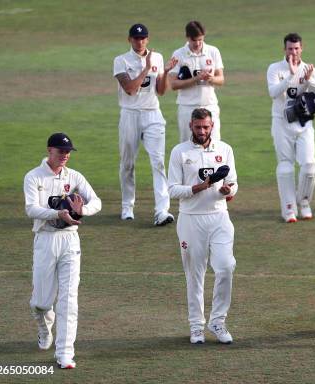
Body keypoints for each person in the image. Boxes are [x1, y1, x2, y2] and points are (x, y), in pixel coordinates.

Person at [24, 133, 102, 369]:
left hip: (70, 240)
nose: (65, 156)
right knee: (41, 302)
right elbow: (31, 209)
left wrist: (81, 212)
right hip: (45, 240)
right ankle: (44, 325)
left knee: (69, 300)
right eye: (61, 151)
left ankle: (65, 353)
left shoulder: (74, 176)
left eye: (68, 152)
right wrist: (57, 214)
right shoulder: (34, 177)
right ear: (49, 150)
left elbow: (96, 202)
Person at [168, 108, 238, 344]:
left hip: (219, 217)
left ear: (212, 125)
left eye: (206, 127)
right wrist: (199, 187)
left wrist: (229, 190)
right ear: (191, 126)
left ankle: (218, 321)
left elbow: (233, 182)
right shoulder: (180, 152)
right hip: (190, 219)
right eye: (198, 127)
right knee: (195, 275)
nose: (202, 131)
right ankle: (196, 327)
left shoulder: (224, 149)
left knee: (226, 267)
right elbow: (172, 189)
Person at [113, 23, 178, 225]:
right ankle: (127, 206)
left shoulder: (157, 57)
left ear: (147, 39)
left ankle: (162, 211)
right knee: (128, 162)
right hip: (130, 114)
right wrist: (147, 68)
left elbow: (160, 90)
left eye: (143, 38)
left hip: (153, 114)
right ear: (129, 40)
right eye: (135, 38)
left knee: (158, 162)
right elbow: (131, 90)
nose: (139, 42)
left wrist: (165, 71)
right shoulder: (121, 61)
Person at [267, 32, 315, 222]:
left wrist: (309, 80)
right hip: (281, 123)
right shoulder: (275, 68)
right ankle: (288, 208)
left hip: (304, 123)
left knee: (310, 166)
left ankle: (303, 201)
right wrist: (290, 77)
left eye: (296, 48)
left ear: (302, 48)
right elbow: (273, 93)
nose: (293, 52)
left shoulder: (309, 69)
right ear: (284, 49)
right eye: (290, 48)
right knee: (285, 167)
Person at [169, 20, 224, 142]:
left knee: (214, 145)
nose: (198, 43)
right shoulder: (178, 54)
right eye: (194, 40)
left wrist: (211, 79)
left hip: (209, 106)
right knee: (187, 145)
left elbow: (221, 79)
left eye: (200, 39)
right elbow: (173, 84)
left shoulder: (213, 51)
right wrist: (196, 79)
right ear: (187, 37)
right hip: (187, 107)